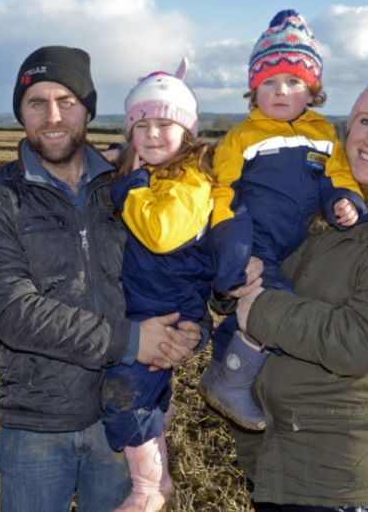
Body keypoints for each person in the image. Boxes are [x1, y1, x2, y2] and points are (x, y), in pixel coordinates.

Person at [0, 46, 202, 512]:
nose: (52, 116)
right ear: (21, 114)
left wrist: (193, 331)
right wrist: (132, 340)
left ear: (88, 110)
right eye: (37, 103)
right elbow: (15, 313)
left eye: (66, 101)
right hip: (35, 425)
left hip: (120, 424)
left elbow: (182, 267)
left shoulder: (129, 187)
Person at [227, 38, 368, 510]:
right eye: (365, 121)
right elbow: (269, 272)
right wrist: (235, 276)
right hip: (279, 453)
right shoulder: (330, 203)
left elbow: (367, 341)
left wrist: (258, 307)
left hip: (338, 466)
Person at [198, 9, 368, 430]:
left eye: (293, 81)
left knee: (270, 306)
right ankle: (230, 386)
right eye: (268, 82)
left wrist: (345, 201)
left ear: (312, 91)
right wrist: (233, 252)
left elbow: (337, 177)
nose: (280, 90)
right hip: (253, 239)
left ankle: (226, 358)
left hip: (293, 244)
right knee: (272, 305)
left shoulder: (324, 134)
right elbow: (223, 192)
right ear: (253, 90)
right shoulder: (242, 137)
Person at [102, 58, 216, 512]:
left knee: (123, 398)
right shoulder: (159, 173)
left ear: (187, 131)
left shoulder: (189, 180)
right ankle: (158, 475)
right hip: (149, 305)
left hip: (165, 311)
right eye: (141, 125)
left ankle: (149, 488)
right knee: (144, 396)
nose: (152, 134)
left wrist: (129, 183)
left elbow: (162, 232)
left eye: (164, 124)